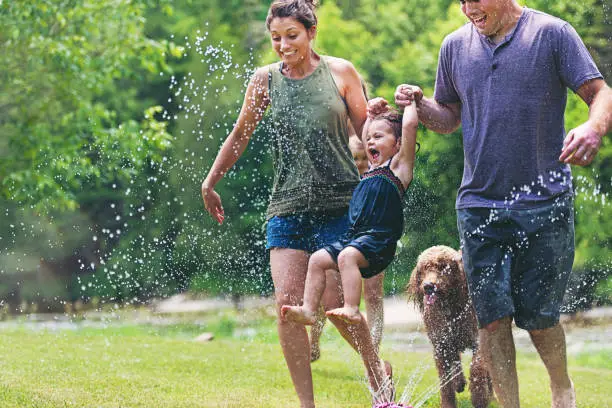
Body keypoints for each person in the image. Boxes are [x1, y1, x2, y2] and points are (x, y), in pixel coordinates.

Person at [392, 1, 612, 407]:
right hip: (478, 205)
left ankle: (561, 386)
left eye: (475, 0)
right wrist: (421, 105)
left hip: (544, 202)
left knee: (540, 318)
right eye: (460, 1)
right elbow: (449, 118)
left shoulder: (552, 34)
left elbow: (600, 93)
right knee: (491, 320)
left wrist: (594, 127)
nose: (467, 9)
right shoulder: (454, 46)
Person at [201, 1, 391, 406]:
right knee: (287, 307)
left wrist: (387, 171)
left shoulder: (341, 72)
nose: (283, 45)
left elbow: (367, 133)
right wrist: (210, 181)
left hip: (341, 205)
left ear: (311, 32)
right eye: (275, 38)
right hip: (286, 208)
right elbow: (239, 136)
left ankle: (380, 378)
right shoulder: (264, 80)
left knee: (338, 307)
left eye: (292, 36)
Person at [281, 100, 418, 328]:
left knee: (347, 257)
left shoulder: (398, 170)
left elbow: (411, 126)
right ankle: (308, 309)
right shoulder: (368, 172)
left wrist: (411, 102)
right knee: (316, 260)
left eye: (379, 137)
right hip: (355, 239)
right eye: (369, 138)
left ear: (398, 144)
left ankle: (353, 309)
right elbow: (364, 135)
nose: (371, 141)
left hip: (378, 242)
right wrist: (371, 115)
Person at [309, 132, 386, 362]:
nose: (360, 162)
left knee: (373, 294)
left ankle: (373, 351)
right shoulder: (339, 181)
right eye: (354, 157)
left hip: (373, 238)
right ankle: (314, 340)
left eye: (364, 157)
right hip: (340, 240)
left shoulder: (379, 178)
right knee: (330, 296)